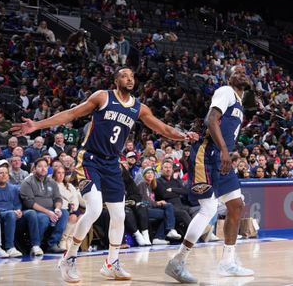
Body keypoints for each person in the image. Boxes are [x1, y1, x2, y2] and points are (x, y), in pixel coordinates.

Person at [11, 67, 198, 283]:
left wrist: (183, 136)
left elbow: (162, 128)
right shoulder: (102, 97)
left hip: (112, 164)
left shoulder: (139, 108)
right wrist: (37, 125)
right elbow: (71, 114)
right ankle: (68, 257)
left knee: (119, 215)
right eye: (125, 75)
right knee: (95, 209)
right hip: (90, 159)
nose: (129, 79)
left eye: (132, 76)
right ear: (116, 80)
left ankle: (111, 263)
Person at [166, 64, 255, 282]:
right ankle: (177, 261)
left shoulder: (240, 102)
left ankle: (227, 262)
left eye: (245, 72)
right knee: (209, 207)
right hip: (207, 154)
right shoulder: (225, 92)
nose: (242, 74)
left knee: (236, 205)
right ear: (228, 77)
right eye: (237, 71)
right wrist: (225, 151)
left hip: (221, 158)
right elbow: (211, 120)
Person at [20, 158, 69, 256]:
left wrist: (57, 208)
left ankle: (53, 244)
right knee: (43, 218)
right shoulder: (28, 182)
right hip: (34, 211)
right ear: (34, 168)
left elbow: (58, 198)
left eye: (45, 166)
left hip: (51, 209)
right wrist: (48, 212)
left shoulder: (52, 182)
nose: (43, 169)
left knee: (64, 213)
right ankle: (35, 245)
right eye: (40, 166)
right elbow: (29, 203)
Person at [0, 163, 24, 257]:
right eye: (1, 173)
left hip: (14, 213)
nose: (4, 175)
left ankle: (36, 245)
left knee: (31, 214)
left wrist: (18, 210)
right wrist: (12, 211)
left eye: (6, 173)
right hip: (0, 215)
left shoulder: (13, 188)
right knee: (10, 214)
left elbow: (17, 203)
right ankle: (10, 247)